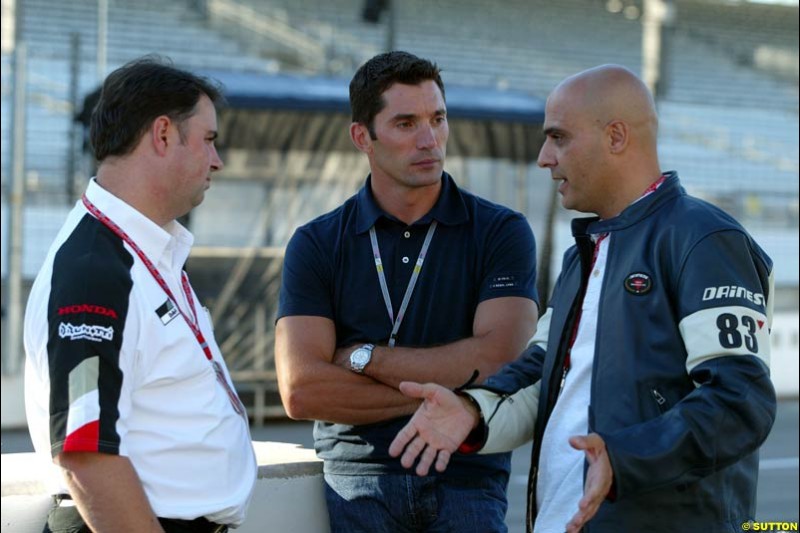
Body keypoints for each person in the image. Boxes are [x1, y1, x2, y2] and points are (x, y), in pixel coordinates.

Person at [389, 64, 776, 533]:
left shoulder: (703, 238)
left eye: (558, 138)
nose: (543, 158)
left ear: (616, 137)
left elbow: (740, 400)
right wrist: (471, 410)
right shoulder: (584, 255)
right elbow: (541, 371)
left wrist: (624, 458)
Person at [275, 50, 539, 532]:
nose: (429, 140)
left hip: (465, 474)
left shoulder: (501, 231)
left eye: (438, 119)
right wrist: (450, 395)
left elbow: (503, 361)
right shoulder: (317, 242)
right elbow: (301, 388)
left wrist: (361, 359)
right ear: (363, 137)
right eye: (405, 123)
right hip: (359, 478)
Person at [24, 57, 257, 533]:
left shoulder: (143, 249)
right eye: (209, 140)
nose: (217, 160)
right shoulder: (95, 270)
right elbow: (85, 451)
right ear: (164, 134)